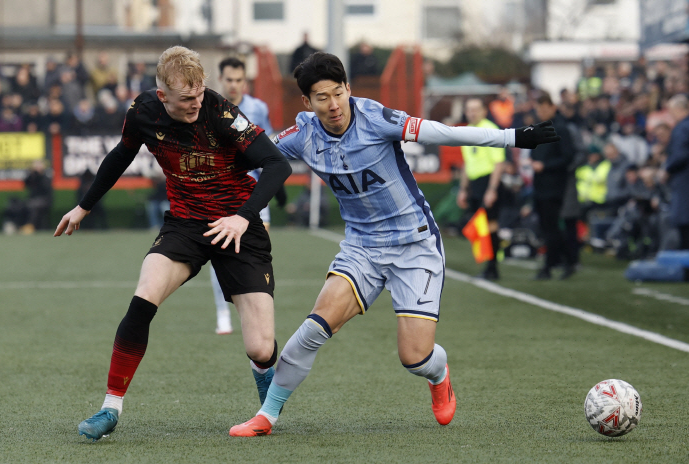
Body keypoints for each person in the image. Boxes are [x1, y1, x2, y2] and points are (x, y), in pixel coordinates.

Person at [229, 52, 560, 436]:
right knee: (313, 328)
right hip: (362, 248)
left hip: (413, 243)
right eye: (322, 97)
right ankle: (267, 416)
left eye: (339, 93)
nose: (334, 105)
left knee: (415, 357)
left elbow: (442, 132)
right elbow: (252, 157)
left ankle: (439, 374)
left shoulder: (376, 119)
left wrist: (515, 137)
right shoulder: (302, 136)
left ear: (349, 88)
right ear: (307, 102)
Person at [54, 46, 292, 442]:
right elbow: (120, 155)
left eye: (200, 93)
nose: (197, 103)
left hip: (238, 226)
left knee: (260, 348)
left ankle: (268, 408)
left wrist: (243, 216)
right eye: (187, 98)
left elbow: (278, 164)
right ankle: (110, 407)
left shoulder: (222, 112)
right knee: (144, 296)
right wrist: (84, 206)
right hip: (185, 224)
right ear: (162, 95)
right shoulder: (143, 112)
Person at [214, 57, 286, 334]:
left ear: (245, 81)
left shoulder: (258, 108)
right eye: (229, 80)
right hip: (222, 192)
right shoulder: (211, 107)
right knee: (221, 250)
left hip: (255, 193)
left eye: (238, 80)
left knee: (258, 250)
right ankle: (223, 312)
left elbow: (270, 148)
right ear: (221, 80)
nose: (233, 85)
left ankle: (254, 307)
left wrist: (276, 187)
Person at [456, 97, 506, 280]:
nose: (472, 112)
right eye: (469, 109)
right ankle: (487, 265)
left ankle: (493, 267)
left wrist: (492, 189)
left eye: (476, 109)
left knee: (491, 226)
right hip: (475, 184)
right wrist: (463, 189)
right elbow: (467, 164)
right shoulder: (466, 131)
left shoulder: (490, 130)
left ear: (484, 111)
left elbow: (499, 162)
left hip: (488, 181)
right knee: (479, 227)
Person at [529, 92, 575, 280]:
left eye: (543, 108)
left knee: (551, 226)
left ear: (552, 107)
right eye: (538, 109)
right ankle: (563, 260)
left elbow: (567, 157)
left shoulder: (561, 129)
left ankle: (553, 264)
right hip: (540, 185)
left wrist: (545, 166)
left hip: (554, 185)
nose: (540, 112)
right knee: (546, 226)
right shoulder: (539, 128)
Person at [662, 93, 689, 249]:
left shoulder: (682, 127)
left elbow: (680, 155)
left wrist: (667, 169)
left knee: (685, 229)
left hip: (684, 183)